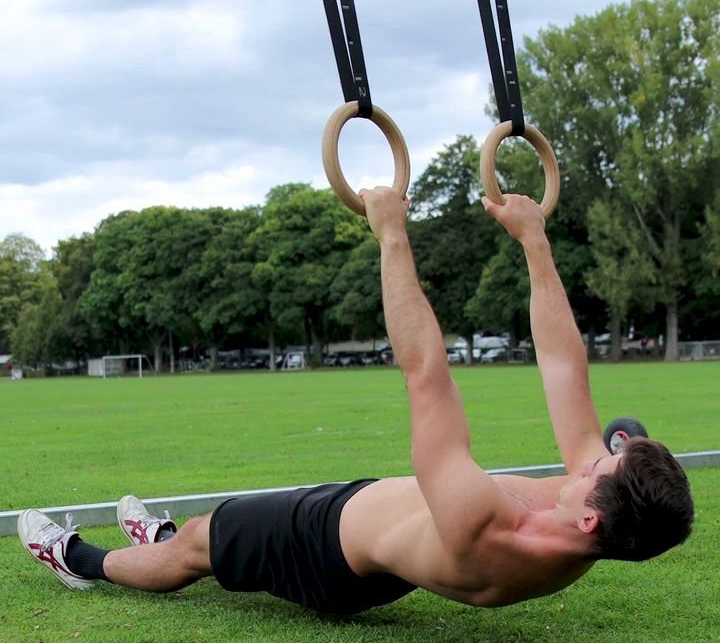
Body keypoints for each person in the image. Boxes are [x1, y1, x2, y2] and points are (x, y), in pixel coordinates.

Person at [17, 191, 693, 612]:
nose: (588, 462)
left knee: (200, 544)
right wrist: (535, 244)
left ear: (589, 521)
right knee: (198, 536)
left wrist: (391, 236)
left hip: (323, 545)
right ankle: (158, 537)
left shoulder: (482, 524)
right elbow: (563, 369)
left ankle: (81, 561)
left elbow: (426, 370)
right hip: (383, 543)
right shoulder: (593, 530)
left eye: (600, 470)